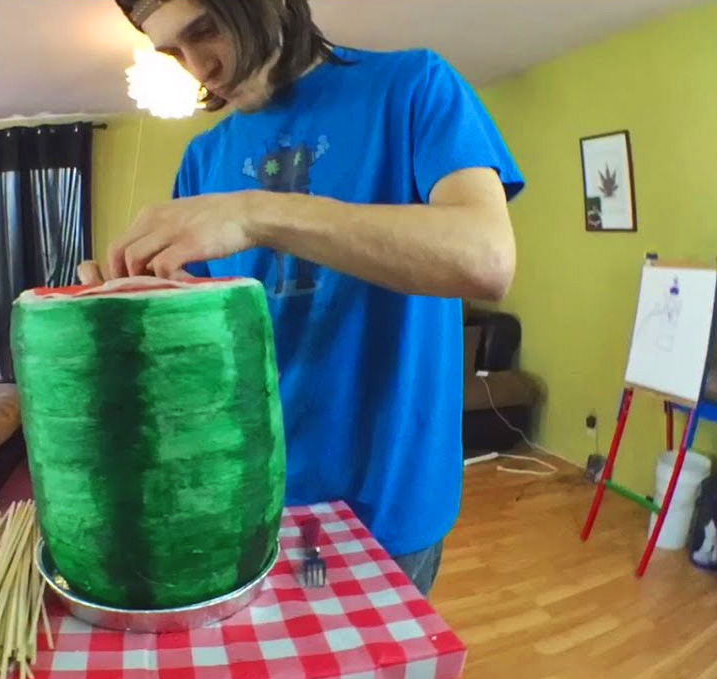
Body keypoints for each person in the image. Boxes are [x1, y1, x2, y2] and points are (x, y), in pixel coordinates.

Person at [78, 0, 525, 596]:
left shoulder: (415, 85)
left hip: (389, 506)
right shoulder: (201, 160)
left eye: (204, 30)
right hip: (247, 495)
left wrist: (255, 213)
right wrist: (134, 310)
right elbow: (207, 347)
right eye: (172, 52)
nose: (198, 68)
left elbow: (486, 259)